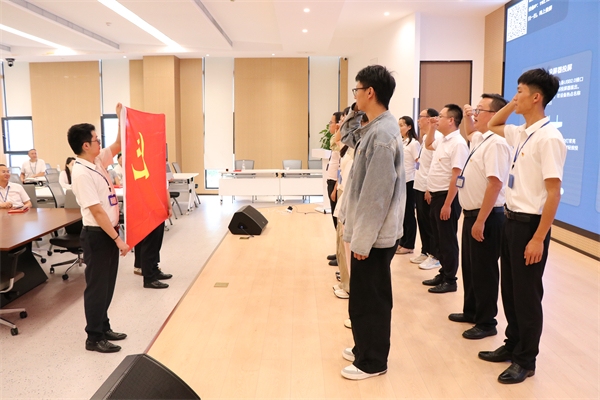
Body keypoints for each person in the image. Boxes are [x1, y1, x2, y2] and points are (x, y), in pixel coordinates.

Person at [479, 68, 566, 384]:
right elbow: (493, 124)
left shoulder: (549, 137)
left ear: (537, 97)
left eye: (520, 91)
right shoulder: (521, 132)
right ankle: (512, 344)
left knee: (527, 296)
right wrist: (513, 102)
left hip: (531, 227)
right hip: (511, 221)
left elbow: (554, 193)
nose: (515, 97)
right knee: (511, 291)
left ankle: (525, 360)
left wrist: (539, 238)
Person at [338, 65, 405, 380]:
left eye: (357, 90)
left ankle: (373, 361)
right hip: (371, 234)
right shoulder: (375, 126)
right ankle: (363, 347)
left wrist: (362, 242)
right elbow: (346, 137)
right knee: (363, 297)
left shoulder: (381, 134)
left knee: (371, 300)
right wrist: (354, 111)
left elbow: (376, 196)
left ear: (370, 92)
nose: (354, 96)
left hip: (374, 237)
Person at [68, 103, 130, 354]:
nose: (99, 142)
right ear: (85, 145)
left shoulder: (97, 161)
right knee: (97, 288)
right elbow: (97, 212)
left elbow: (118, 144)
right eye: (96, 139)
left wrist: (120, 118)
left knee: (107, 285)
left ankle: (103, 326)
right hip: (98, 236)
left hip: (108, 232)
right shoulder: (82, 173)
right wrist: (117, 239)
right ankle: (93, 337)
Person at [449, 94, 510, 340]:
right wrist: (467, 117)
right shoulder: (479, 139)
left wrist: (481, 220)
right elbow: (469, 131)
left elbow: (495, 184)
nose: (474, 114)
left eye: (479, 110)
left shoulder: (497, 143)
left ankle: (486, 322)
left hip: (488, 216)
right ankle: (472, 311)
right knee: (471, 267)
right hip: (472, 214)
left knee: (484, 270)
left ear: (494, 115)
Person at [422, 104, 469, 293]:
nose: (436, 119)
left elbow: (457, 176)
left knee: (447, 240)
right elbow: (428, 145)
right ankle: (443, 272)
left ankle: (450, 280)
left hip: (447, 198)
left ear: (451, 120)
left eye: (440, 116)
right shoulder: (442, 140)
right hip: (436, 195)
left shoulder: (458, 143)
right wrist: (432, 127)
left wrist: (448, 204)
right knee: (439, 239)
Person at [411, 109, 442, 269]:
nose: (418, 121)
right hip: (419, 184)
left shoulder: (437, 138)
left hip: (428, 187)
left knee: (431, 223)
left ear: (429, 119)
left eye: (420, 117)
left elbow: (434, 165)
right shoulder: (424, 138)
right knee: (422, 221)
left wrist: (430, 188)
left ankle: (434, 255)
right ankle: (425, 250)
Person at [134, 206, 174, 289]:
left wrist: (167, 206)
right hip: (148, 208)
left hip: (157, 207)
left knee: (156, 240)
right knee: (150, 243)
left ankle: (154, 269)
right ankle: (149, 278)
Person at [396, 116, 420, 255]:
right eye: (398, 125)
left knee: (409, 214)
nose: (399, 128)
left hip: (410, 182)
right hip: (400, 181)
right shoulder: (402, 142)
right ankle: (402, 241)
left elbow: (419, 163)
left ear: (409, 127)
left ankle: (409, 244)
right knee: (402, 214)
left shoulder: (414, 144)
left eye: (402, 125)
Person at [325, 111, 344, 266]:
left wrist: (335, 187)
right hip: (331, 180)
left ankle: (342, 256)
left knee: (338, 221)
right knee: (334, 220)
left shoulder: (341, 141)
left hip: (336, 183)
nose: (330, 125)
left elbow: (341, 167)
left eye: (332, 122)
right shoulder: (335, 140)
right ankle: (338, 252)